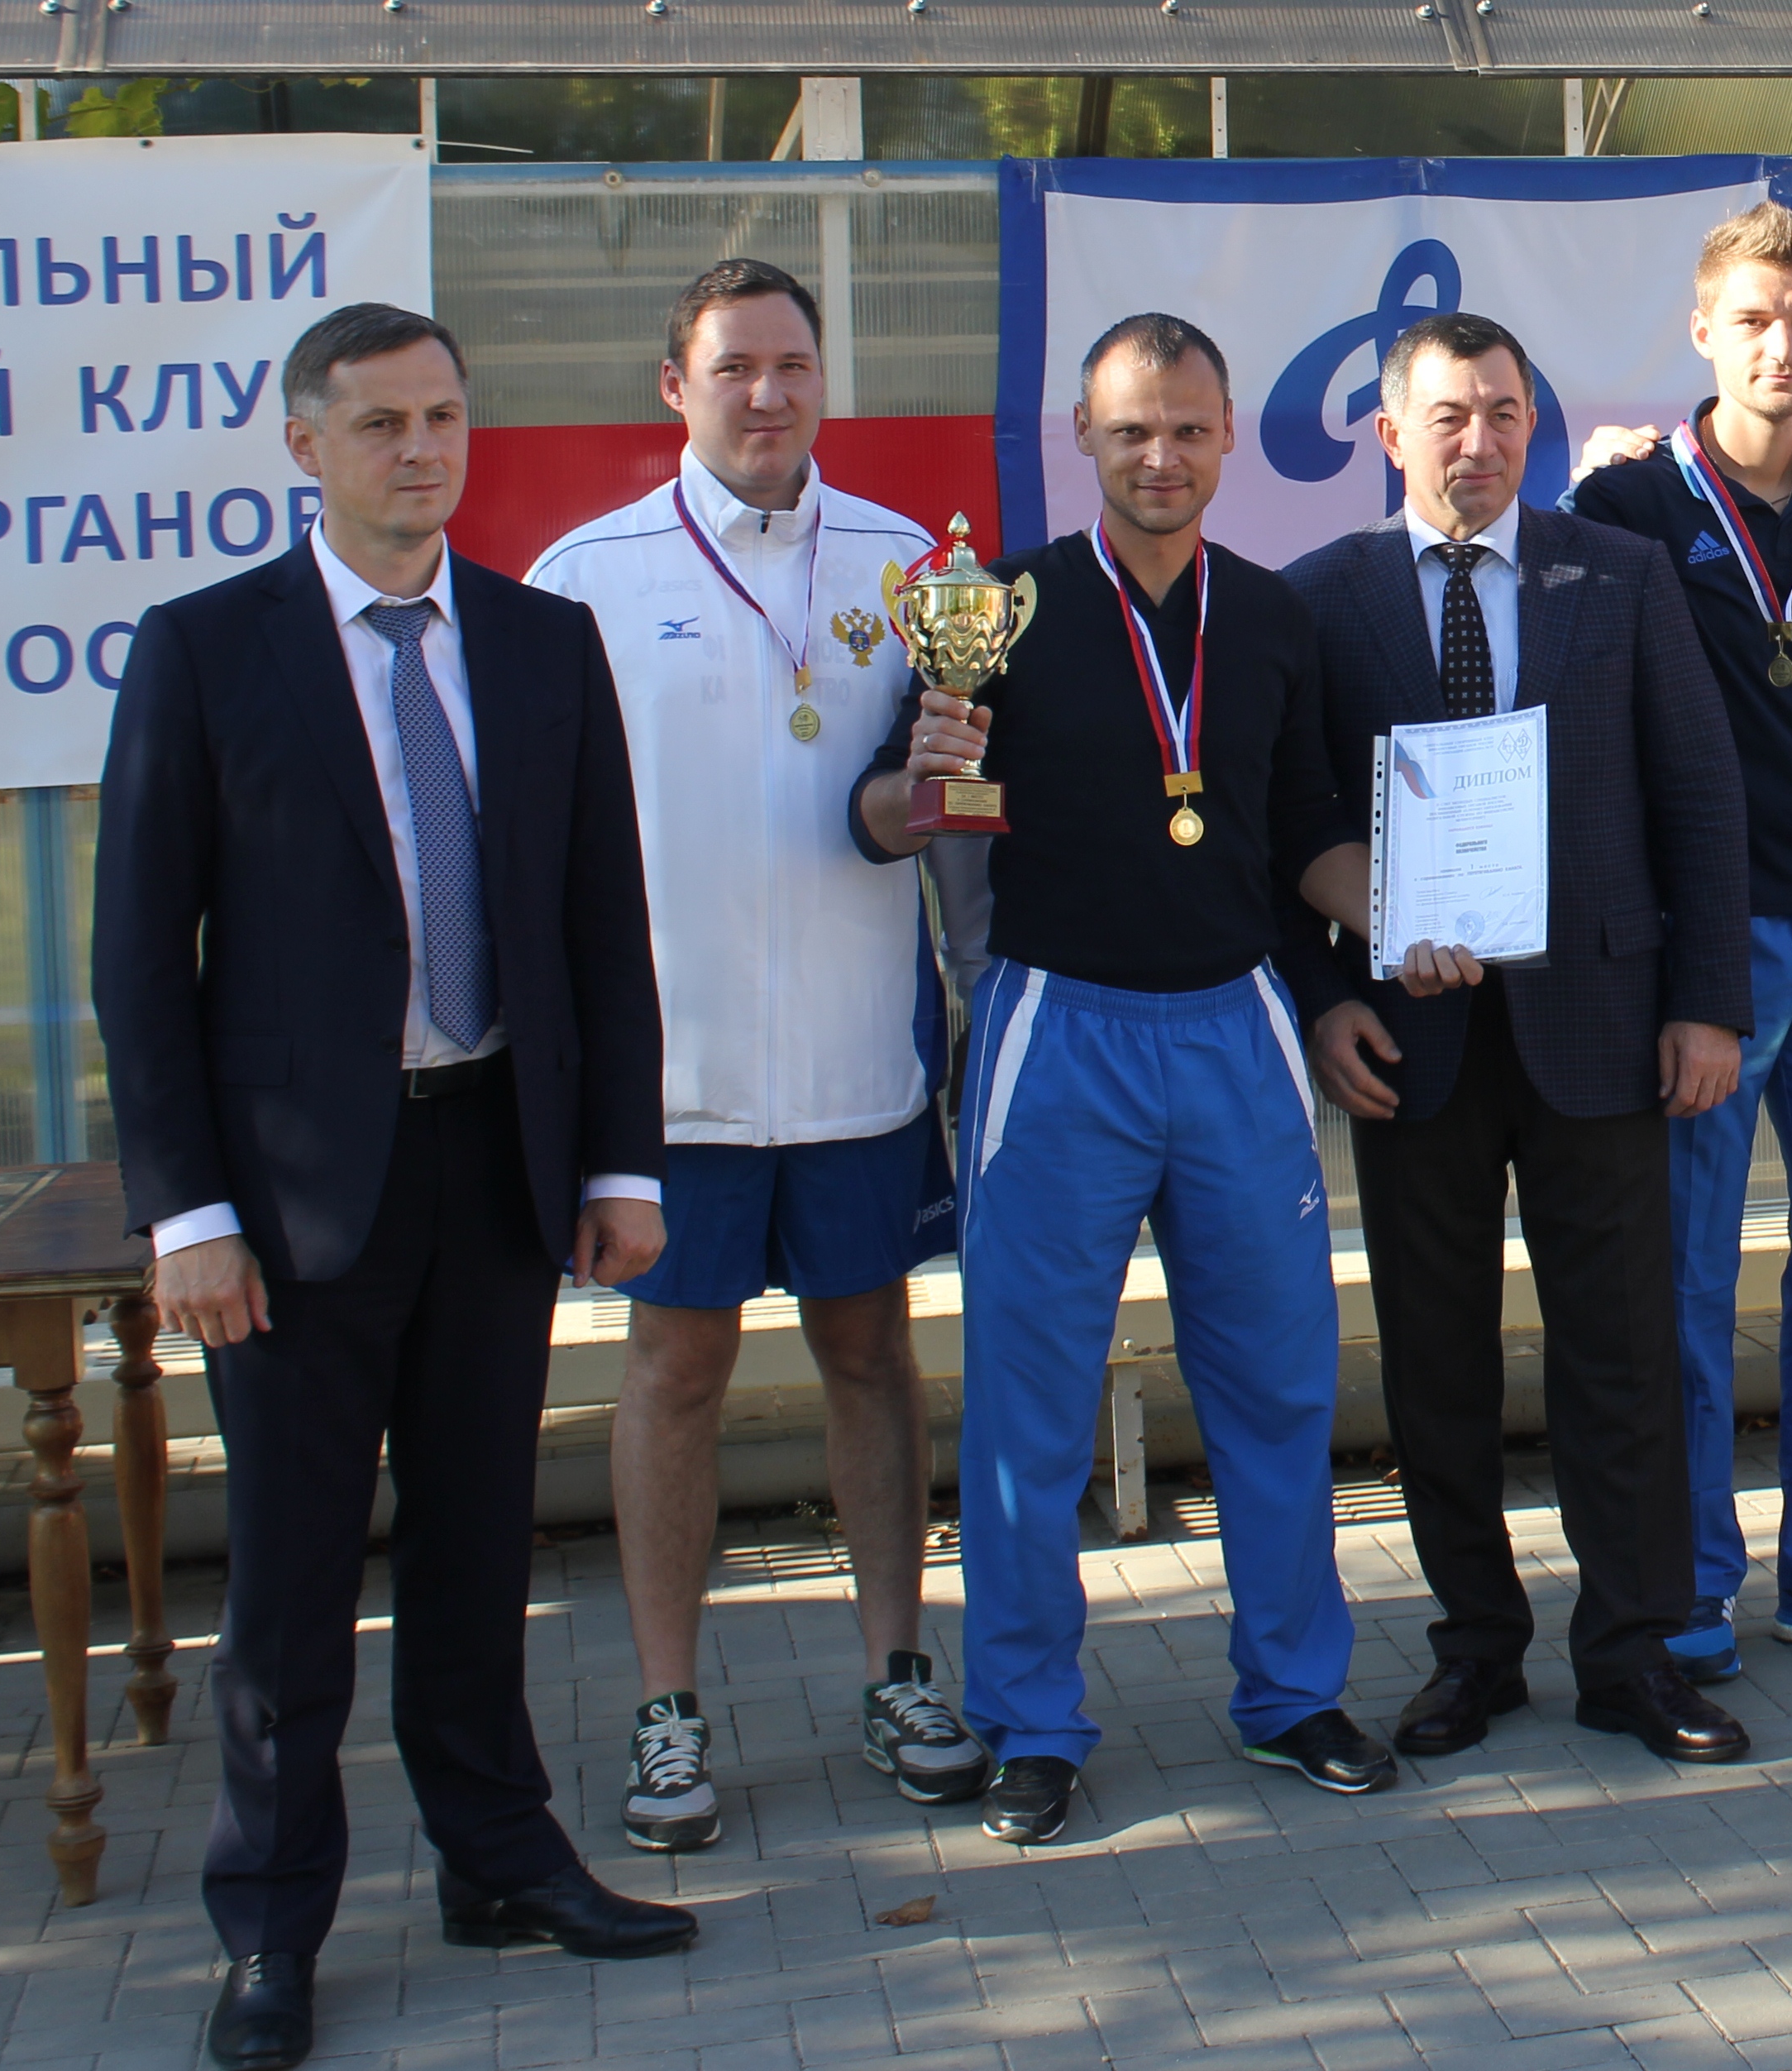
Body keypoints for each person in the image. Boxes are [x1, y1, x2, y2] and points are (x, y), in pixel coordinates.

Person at [98, 303, 694, 2071]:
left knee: (478, 1543)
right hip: (292, 1206)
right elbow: (140, 958)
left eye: (443, 416)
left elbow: (601, 920)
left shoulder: (540, 640)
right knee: (290, 1586)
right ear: (307, 446)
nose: (421, 449)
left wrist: (620, 1160)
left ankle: (499, 1858)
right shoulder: (208, 650)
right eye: (380, 423)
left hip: (495, 1164)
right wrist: (187, 1215)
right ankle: (271, 1928)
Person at [859, 313, 1388, 1844]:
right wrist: (928, 778)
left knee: (1277, 1388)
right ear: (1083, 437)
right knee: (1028, 1406)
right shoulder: (995, 610)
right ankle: (1031, 1720)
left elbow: (1307, 833)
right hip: (1059, 1032)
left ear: (1227, 439)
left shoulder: (1272, 618)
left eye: (1189, 430)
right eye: (1132, 430)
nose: (1162, 457)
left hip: (1235, 1030)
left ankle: (1293, 1692)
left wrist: (1424, 915)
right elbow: (888, 812)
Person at [522, 258, 983, 1853]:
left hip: (857, 1059)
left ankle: (899, 1671)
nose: (769, 394)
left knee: (873, 1357)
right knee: (675, 1375)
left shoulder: (914, 569)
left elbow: (926, 808)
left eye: (793, 364)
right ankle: (666, 1710)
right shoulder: (584, 578)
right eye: (735, 368)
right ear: (677, 386)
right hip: (676, 1079)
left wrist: (943, 781)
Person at [1289, 311, 1760, 1766]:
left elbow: (1699, 792)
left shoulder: (1612, 575)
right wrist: (1324, 1001)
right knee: (1437, 1367)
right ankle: (1475, 1649)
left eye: (1504, 412)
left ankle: (1633, 1652)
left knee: (1621, 1355)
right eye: (1449, 415)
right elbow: (1286, 825)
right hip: (1410, 1046)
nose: (1481, 440)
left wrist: (1709, 1003)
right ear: (1391, 434)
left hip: (1601, 1027)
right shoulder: (1320, 598)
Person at [1565, 203, 1792, 1676]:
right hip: (1705, 944)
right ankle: (1692, 1578)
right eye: (1756, 320)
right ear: (1704, 332)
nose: (1784, 346)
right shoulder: (1627, 502)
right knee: (1687, 1278)